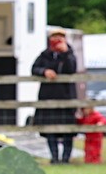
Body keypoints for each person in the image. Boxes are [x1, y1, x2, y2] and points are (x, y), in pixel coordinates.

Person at [32, 29, 78, 164]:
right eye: (54, 37)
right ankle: (54, 157)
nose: (57, 40)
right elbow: (34, 69)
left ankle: (66, 159)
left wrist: (65, 53)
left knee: (68, 130)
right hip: (48, 97)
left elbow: (71, 69)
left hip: (66, 97)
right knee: (49, 129)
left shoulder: (70, 55)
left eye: (60, 37)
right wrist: (44, 71)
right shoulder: (45, 55)